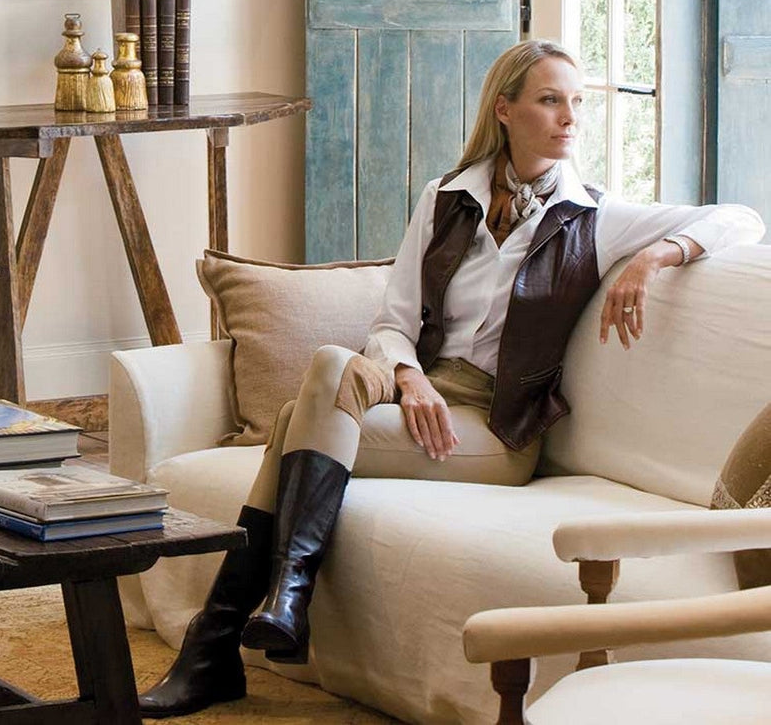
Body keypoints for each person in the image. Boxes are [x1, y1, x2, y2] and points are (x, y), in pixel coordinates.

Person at [139, 40, 765, 718]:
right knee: (327, 365)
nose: (570, 118)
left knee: (295, 425)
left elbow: (740, 219)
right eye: (551, 100)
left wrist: (656, 258)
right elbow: (391, 323)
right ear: (505, 109)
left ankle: (228, 637)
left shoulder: (595, 218)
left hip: (495, 429)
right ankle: (277, 606)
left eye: (577, 102)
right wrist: (410, 378)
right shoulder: (446, 198)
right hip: (426, 392)